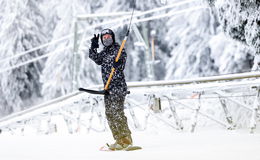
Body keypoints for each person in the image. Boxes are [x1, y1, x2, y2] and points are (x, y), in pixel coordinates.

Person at [89, 28, 132, 150]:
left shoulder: (118, 50)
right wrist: (93, 46)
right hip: (107, 88)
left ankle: (126, 139)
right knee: (109, 114)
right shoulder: (104, 53)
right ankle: (118, 139)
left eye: (108, 37)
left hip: (118, 87)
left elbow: (123, 60)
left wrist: (119, 64)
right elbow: (95, 59)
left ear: (113, 38)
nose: (107, 39)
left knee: (117, 113)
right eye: (104, 38)